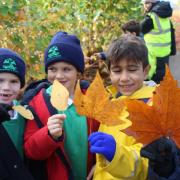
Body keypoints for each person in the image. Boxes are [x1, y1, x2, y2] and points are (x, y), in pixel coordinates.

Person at [89, 35, 180, 179]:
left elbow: (146, 163)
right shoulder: (113, 101)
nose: (124, 78)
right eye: (117, 71)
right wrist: (101, 164)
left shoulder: (154, 109)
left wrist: (115, 156)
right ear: (109, 72)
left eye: (131, 70)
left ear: (145, 71)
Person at [23, 31, 99, 180]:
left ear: (78, 73)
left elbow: (107, 135)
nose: (58, 76)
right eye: (52, 69)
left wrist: (102, 164)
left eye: (66, 69)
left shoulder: (93, 99)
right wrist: (48, 134)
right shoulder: (37, 104)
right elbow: (30, 151)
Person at [0, 48, 34, 179]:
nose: (6, 87)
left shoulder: (25, 113)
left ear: (21, 85)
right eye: (0, 80)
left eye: (13, 81)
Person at [140, 0, 176, 83]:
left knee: (153, 75)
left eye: (145, 3)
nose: (144, 6)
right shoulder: (165, 15)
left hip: (154, 52)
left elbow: (141, 29)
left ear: (150, 4)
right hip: (165, 50)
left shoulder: (151, 17)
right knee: (163, 73)